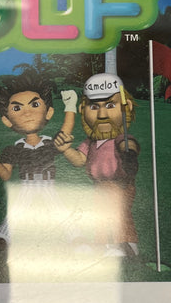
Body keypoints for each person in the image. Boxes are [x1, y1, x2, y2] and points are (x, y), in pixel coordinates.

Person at [0, 70, 77, 249]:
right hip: (26, 185)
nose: (27, 113)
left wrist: (70, 107)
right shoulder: (14, 149)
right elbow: (6, 174)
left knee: (59, 208)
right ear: (7, 120)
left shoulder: (50, 143)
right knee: (17, 210)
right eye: (17, 108)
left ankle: (75, 236)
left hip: (48, 184)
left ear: (48, 112)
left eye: (34, 105)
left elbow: (64, 134)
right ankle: (2, 237)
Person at [54, 72, 140, 257]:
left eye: (110, 106)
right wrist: (66, 150)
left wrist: (130, 156)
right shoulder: (91, 142)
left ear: (126, 107)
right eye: (94, 107)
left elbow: (128, 145)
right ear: (83, 110)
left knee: (119, 213)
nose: (102, 115)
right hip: (99, 185)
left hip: (120, 184)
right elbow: (79, 160)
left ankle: (128, 245)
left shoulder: (121, 138)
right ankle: (104, 245)